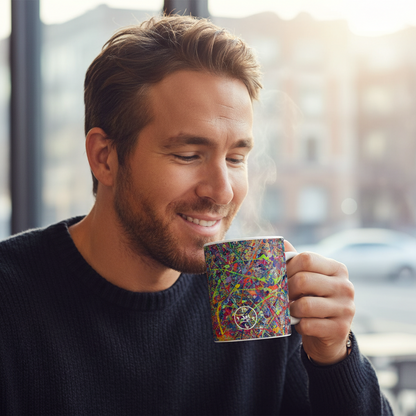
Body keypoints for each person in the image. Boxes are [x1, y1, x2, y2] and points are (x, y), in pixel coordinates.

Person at [0, 14, 392, 416]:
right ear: (105, 158)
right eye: (188, 155)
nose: (222, 190)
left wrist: (334, 358)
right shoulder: (11, 299)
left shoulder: (252, 293)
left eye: (236, 157)